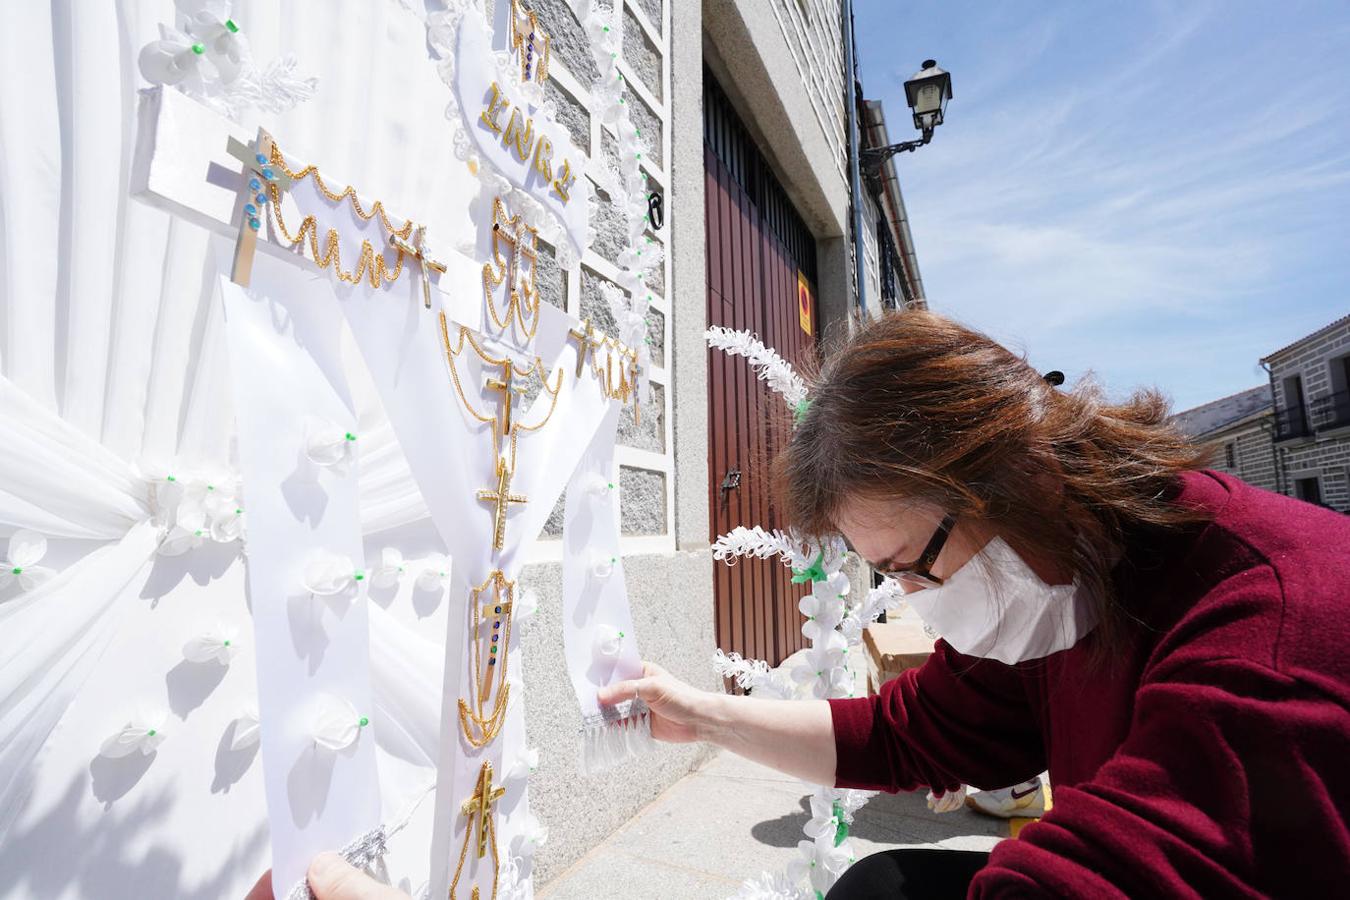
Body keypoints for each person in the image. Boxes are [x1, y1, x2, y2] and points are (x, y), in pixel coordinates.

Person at [257, 312, 1350, 898]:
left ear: (1015, 473)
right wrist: (704, 713)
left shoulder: (1269, 632)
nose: (915, 602)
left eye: (917, 566)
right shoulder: (1072, 578)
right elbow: (918, 729)